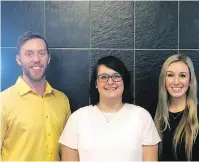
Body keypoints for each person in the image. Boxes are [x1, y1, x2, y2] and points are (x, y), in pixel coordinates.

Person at [59, 56, 161, 161]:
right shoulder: (77, 118)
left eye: (116, 76)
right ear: (96, 83)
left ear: (124, 81)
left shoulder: (142, 116)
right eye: (103, 77)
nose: (110, 82)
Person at [0, 31, 71, 161]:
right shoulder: (3, 101)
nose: (36, 59)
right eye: (29, 54)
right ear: (18, 59)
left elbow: (67, 149)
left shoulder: (62, 100)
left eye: (41, 53)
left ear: (48, 58)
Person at [154, 54, 199, 161]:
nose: (176, 82)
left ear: (190, 81)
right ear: (163, 80)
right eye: (170, 75)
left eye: (182, 76)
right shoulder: (152, 114)